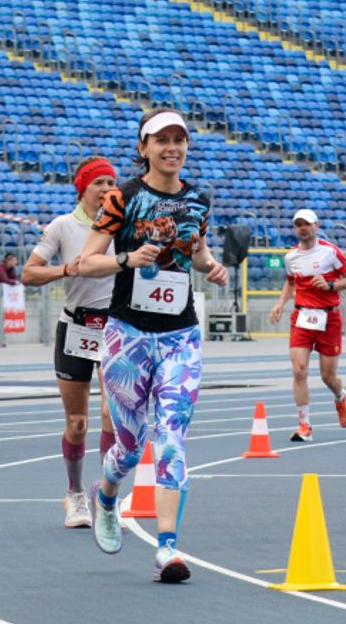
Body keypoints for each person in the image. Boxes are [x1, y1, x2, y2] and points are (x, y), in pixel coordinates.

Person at [78, 108, 228, 583]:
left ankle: (167, 549)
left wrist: (211, 267)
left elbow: (198, 252)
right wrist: (126, 258)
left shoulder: (199, 200)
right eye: (161, 140)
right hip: (128, 335)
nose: (172, 148)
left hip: (180, 335)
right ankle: (106, 495)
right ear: (143, 148)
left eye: (179, 139)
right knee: (129, 444)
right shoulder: (124, 197)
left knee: (171, 440)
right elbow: (87, 261)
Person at [22, 156, 119, 529]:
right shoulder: (63, 226)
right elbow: (29, 273)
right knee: (77, 422)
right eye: (99, 183)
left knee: (113, 416)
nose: (107, 189)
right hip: (77, 328)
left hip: (116, 328)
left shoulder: (121, 226)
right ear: (83, 188)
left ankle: (108, 499)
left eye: (112, 182)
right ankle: (75, 494)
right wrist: (65, 268)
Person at [268, 208, 346, 442]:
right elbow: (290, 283)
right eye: (298, 224)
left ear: (316, 226)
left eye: (307, 224)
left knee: (328, 377)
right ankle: (304, 425)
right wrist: (280, 304)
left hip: (329, 318)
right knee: (299, 371)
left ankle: (340, 397)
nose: (303, 228)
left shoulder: (330, 252)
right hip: (302, 317)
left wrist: (330, 285)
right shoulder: (291, 258)